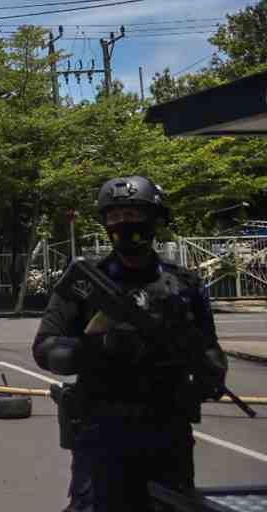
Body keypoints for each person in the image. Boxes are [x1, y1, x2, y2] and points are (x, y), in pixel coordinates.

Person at [33, 176, 228, 512]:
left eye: (134, 214)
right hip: (102, 432)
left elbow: (210, 346)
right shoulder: (86, 281)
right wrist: (94, 348)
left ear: (155, 219)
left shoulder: (182, 285)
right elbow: (44, 348)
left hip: (167, 431)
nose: (125, 225)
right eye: (116, 217)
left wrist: (211, 371)